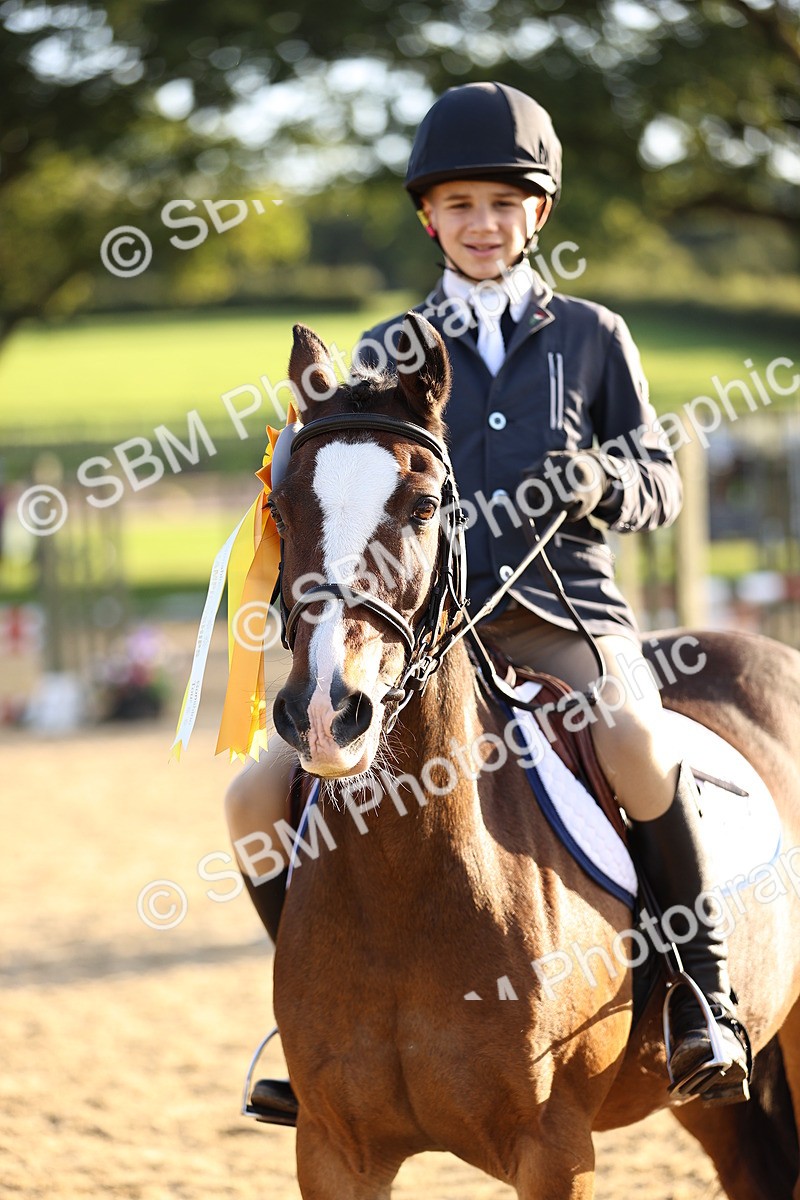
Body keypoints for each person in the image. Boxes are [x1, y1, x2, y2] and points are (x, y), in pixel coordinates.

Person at [227, 81, 750, 1114]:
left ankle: (699, 994)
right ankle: (314, 1019)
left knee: (638, 746)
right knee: (252, 797)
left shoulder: (591, 337)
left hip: (564, 619)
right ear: (429, 217)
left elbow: (659, 478)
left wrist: (603, 482)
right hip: (425, 636)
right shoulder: (389, 346)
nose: (481, 225)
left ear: (536, 216)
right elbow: (351, 487)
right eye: (459, 206)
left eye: (502, 205)